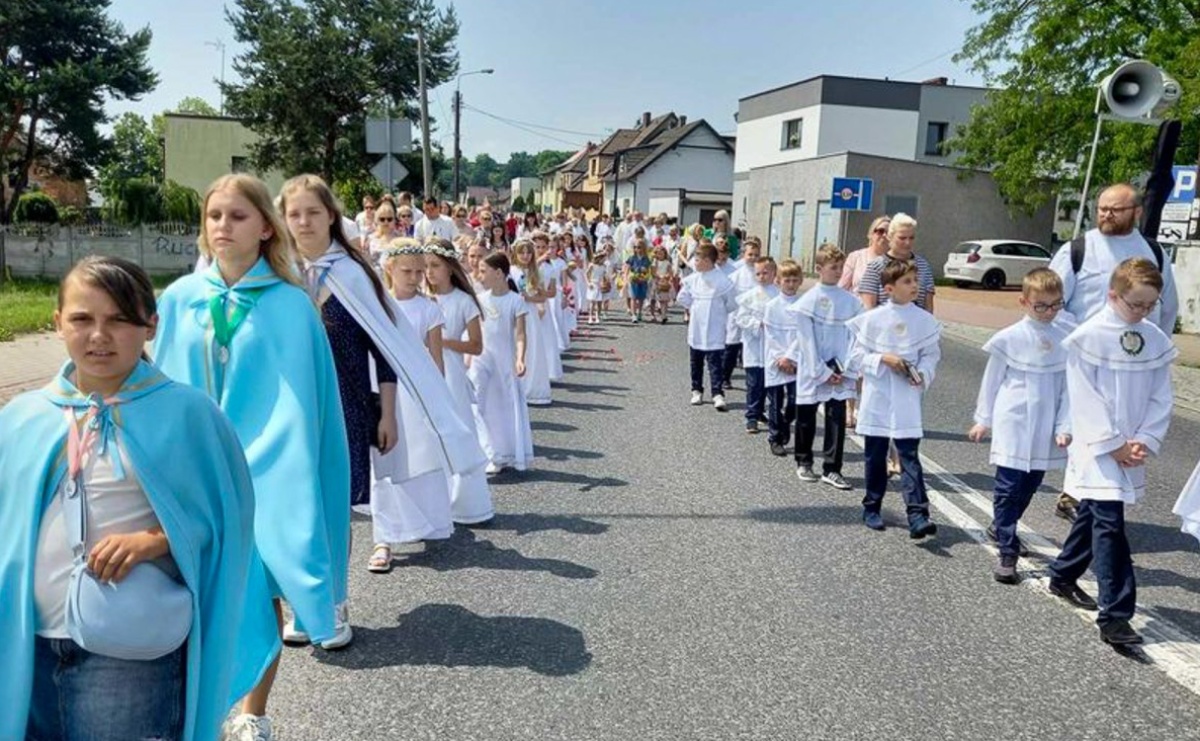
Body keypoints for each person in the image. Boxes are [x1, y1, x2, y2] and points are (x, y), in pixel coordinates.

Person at [1, 256, 261, 741]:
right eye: (82, 319)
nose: (99, 335)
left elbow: (227, 518)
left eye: (119, 319)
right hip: (27, 643)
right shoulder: (24, 417)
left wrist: (155, 539)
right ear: (57, 323)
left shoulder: (187, 413)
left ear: (150, 326)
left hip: (129, 648)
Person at [154, 173, 349, 739]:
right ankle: (193, 704)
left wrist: (294, 474)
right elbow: (161, 386)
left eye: (236, 216)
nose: (222, 227)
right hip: (195, 473)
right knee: (191, 591)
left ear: (266, 227)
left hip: (267, 474)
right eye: (214, 216)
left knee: (261, 591)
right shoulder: (181, 298)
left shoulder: (292, 307)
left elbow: (308, 406)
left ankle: (252, 713)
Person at [279, 175, 483, 638]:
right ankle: (300, 603)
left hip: (347, 407)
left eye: (314, 212)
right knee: (294, 507)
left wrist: (388, 414)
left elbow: (385, 352)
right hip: (291, 410)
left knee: (333, 509)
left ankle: (332, 604)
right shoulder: (278, 275)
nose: (305, 222)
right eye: (295, 214)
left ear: (332, 215)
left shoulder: (354, 275)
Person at [1046, 258, 1175, 645]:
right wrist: (1113, 444)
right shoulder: (1089, 336)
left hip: (1131, 447)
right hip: (1097, 447)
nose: (1141, 312)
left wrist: (1146, 440)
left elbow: (1161, 396)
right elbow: (1085, 398)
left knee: (1093, 514)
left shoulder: (1153, 338)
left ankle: (1063, 574)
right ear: (1112, 295)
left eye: (1150, 305)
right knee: (1109, 524)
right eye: (1134, 304)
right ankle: (1116, 614)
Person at [1049, 182, 1179, 522]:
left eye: (1115, 209)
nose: (1105, 214)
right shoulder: (1078, 249)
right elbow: (1051, 297)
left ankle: (1092, 501)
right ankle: (1079, 493)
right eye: (1101, 208)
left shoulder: (1153, 252)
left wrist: (1152, 352)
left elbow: (1167, 308)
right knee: (1085, 419)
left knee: (1120, 421)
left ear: (1136, 212)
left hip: (1132, 356)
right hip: (1084, 351)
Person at [967, 268, 1074, 584]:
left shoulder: (1065, 340)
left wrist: (1065, 424)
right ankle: (1008, 551)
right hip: (1013, 422)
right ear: (1024, 302)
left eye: (1055, 305)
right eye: (1041, 305)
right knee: (1008, 487)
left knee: (1030, 484)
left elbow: (1070, 389)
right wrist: (982, 419)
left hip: (1045, 428)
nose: (1048, 312)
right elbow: (992, 382)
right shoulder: (1009, 338)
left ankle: (1001, 525)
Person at [847, 260, 941, 538]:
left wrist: (921, 373)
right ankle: (872, 506)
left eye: (916, 281)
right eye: (908, 282)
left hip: (906, 396)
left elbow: (931, 354)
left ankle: (917, 514)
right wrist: (883, 359)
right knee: (875, 455)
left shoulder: (925, 320)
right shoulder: (872, 319)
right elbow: (855, 357)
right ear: (889, 289)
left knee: (908, 455)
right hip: (878, 395)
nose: (915, 286)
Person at [425, 240, 496, 525]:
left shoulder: (463, 301)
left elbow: (476, 346)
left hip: (452, 371)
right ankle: (434, 502)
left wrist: (443, 342)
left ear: (450, 268)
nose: (429, 272)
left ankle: (467, 503)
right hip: (425, 369)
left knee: (459, 431)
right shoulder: (422, 299)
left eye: (435, 266)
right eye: (426, 266)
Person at [789, 244, 862, 489]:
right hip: (814, 369)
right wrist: (821, 370)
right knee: (806, 417)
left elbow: (855, 336)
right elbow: (805, 341)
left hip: (839, 371)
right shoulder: (808, 301)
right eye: (833, 268)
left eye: (841, 267)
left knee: (836, 419)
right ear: (819, 269)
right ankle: (804, 461)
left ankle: (832, 468)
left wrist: (845, 368)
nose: (839, 272)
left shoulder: (851, 301)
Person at [471, 252, 535, 473]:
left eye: (483, 270)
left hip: (505, 361)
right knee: (479, 403)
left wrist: (520, 358)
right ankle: (487, 453)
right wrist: (469, 357)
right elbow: (476, 331)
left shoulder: (515, 301)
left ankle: (507, 452)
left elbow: (520, 334)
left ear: (498, 273)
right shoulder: (479, 300)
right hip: (483, 359)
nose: (479, 275)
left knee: (505, 405)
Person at [677, 241, 737, 410]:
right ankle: (696, 390)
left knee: (715, 363)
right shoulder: (693, 280)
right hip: (696, 326)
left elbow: (731, 302)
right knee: (695, 361)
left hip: (714, 328)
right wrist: (695, 308)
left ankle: (717, 393)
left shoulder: (722, 281)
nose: (694, 263)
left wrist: (719, 313)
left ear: (708, 261)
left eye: (697, 259)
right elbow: (683, 297)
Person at [762, 258, 802, 456]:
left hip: (796, 360)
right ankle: (775, 437)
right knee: (776, 402)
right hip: (776, 360)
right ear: (778, 281)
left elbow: (804, 334)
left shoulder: (803, 305)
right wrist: (781, 357)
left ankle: (787, 422)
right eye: (787, 280)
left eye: (795, 280)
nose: (791, 284)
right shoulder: (772, 306)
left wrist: (791, 357)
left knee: (795, 400)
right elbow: (770, 335)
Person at [857, 213, 935, 312]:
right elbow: (868, 307)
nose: (907, 243)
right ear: (890, 237)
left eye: (911, 238)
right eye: (902, 238)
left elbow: (928, 307)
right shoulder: (876, 267)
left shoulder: (923, 266)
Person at [735, 256, 778, 434]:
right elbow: (741, 318)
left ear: (774, 273)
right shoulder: (748, 297)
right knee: (754, 383)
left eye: (765, 273)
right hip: (754, 345)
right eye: (758, 273)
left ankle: (762, 412)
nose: (761, 276)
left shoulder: (779, 295)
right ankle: (751, 416)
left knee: (769, 383)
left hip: (772, 347)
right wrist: (756, 324)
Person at [510, 238, 554, 406]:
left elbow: (543, 296)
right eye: (522, 252)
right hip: (514, 312)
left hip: (530, 312)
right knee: (515, 345)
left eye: (528, 252)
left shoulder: (536, 272)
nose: (525, 255)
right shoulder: (511, 271)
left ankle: (532, 387)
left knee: (532, 347)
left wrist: (530, 298)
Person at [722, 237, 762, 390]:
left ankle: (752, 379)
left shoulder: (761, 271)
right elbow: (730, 293)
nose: (753, 258)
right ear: (744, 254)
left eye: (756, 255)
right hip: (737, 313)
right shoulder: (736, 271)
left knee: (750, 348)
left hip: (754, 315)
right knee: (732, 346)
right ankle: (725, 377)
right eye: (750, 254)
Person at [625, 237, 653, 324]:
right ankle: (633, 314)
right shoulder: (632, 257)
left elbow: (649, 269)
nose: (637, 249)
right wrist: (626, 277)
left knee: (641, 297)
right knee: (633, 297)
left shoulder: (646, 258)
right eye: (636, 247)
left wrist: (646, 275)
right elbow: (627, 268)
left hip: (643, 280)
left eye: (639, 247)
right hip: (633, 280)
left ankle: (639, 312)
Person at [650, 241, 676, 323]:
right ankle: (653, 314)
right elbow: (653, 272)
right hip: (656, 282)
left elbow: (670, 272)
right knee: (654, 299)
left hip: (664, 282)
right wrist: (659, 276)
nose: (660, 255)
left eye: (662, 253)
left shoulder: (667, 262)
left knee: (664, 300)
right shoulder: (655, 262)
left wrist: (667, 276)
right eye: (659, 253)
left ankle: (664, 315)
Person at [586, 249, 612, 325]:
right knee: (592, 301)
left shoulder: (603, 267)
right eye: (603, 259)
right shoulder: (592, 265)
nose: (604, 260)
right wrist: (588, 283)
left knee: (599, 302)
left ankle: (597, 316)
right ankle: (590, 317)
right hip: (593, 284)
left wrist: (607, 281)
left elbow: (605, 275)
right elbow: (587, 274)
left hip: (600, 285)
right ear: (599, 258)